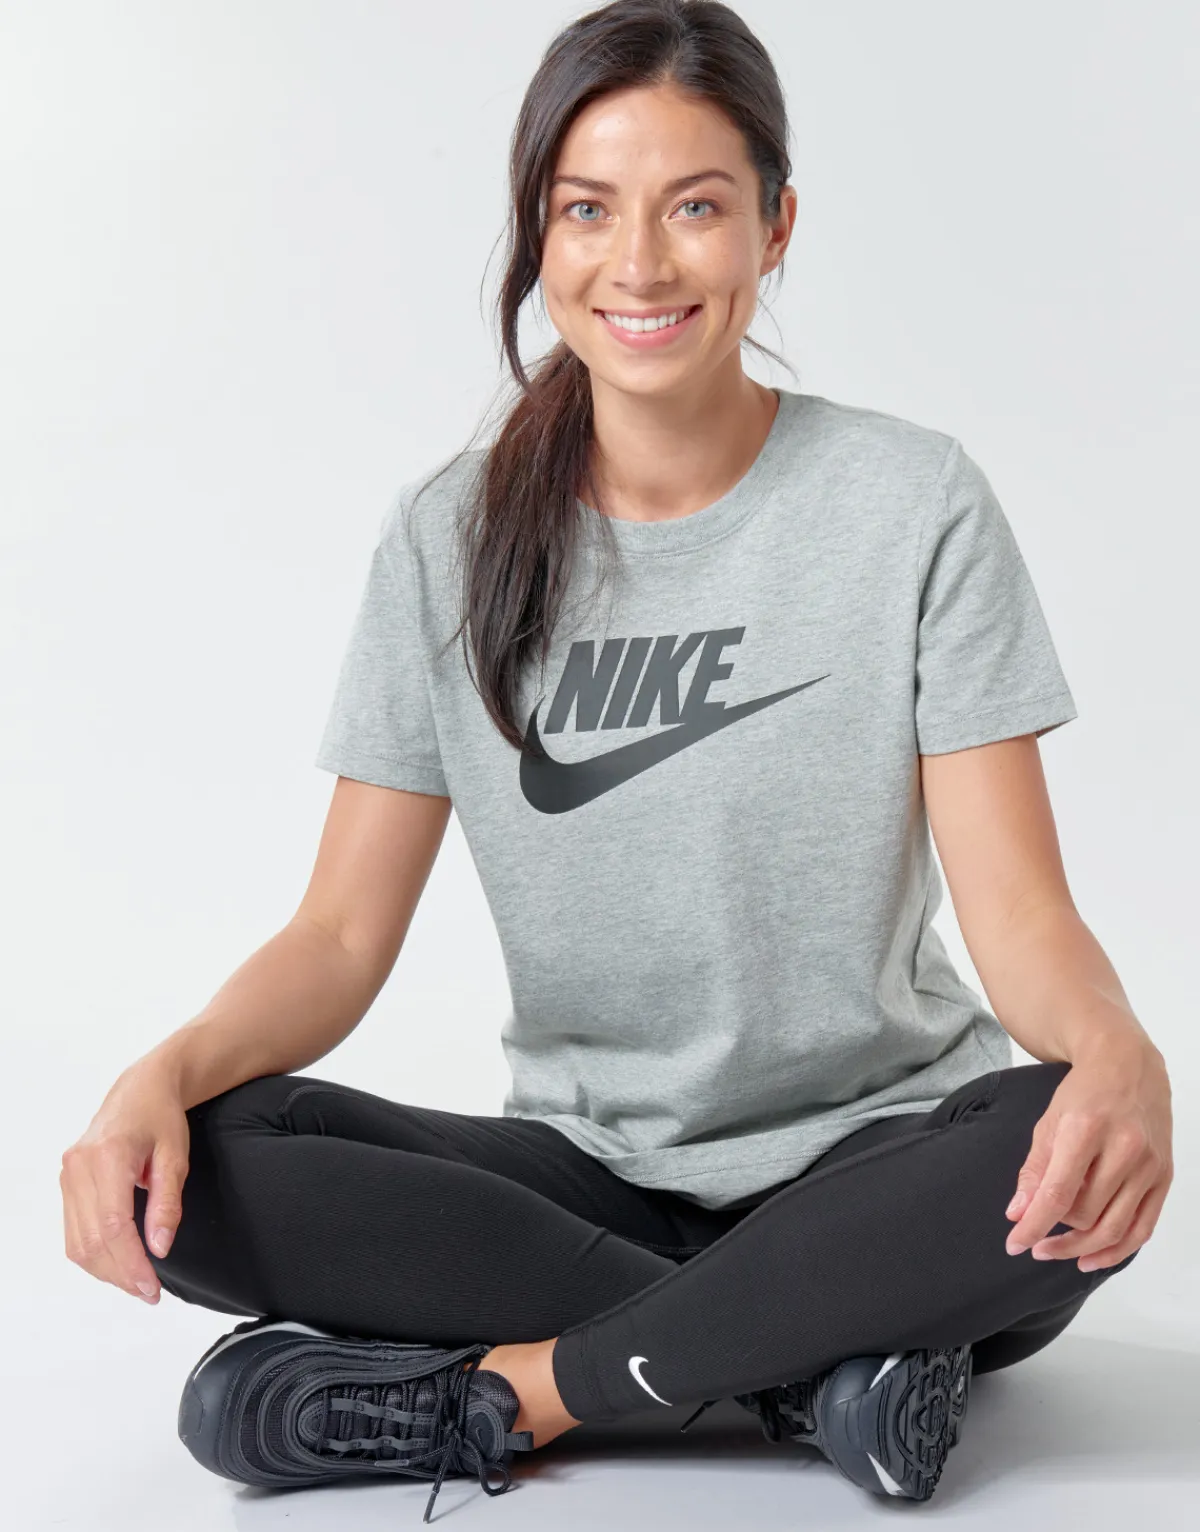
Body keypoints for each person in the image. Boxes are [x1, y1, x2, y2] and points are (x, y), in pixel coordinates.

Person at [60, 1, 1174, 1523]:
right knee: (203, 1161)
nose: (637, 264)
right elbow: (336, 938)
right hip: (587, 1173)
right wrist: (156, 1077)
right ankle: (807, 1367)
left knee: (1047, 1154)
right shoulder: (445, 540)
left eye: (695, 207)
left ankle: (517, 1391)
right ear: (540, 233)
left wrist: (1119, 1054)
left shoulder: (911, 505)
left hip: (880, 1156)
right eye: (588, 210)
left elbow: (1022, 914)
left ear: (776, 228)